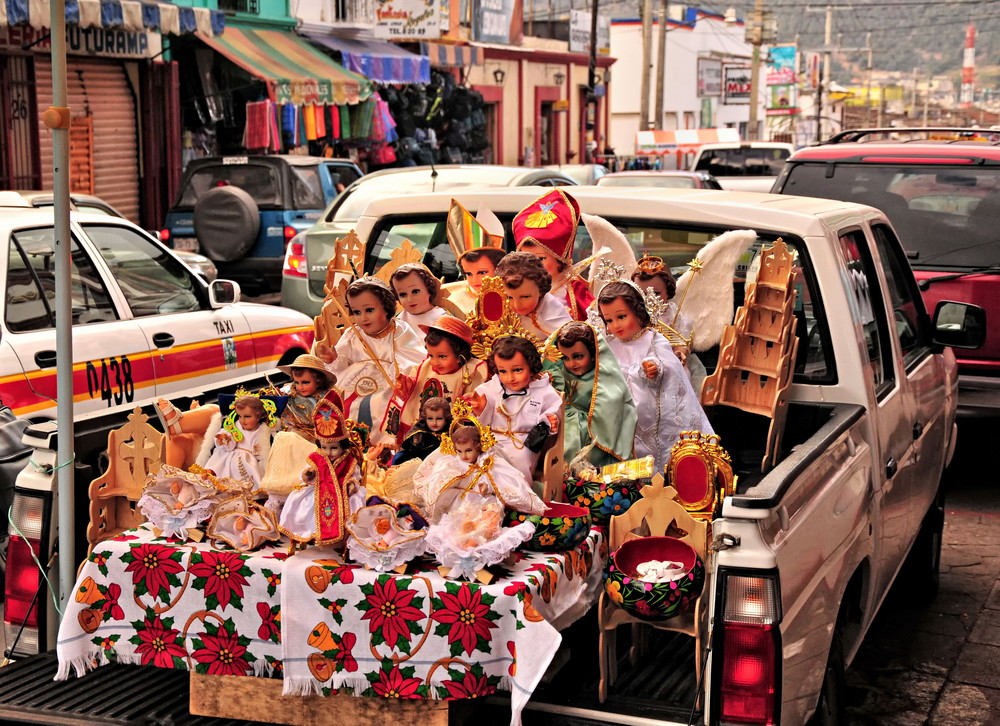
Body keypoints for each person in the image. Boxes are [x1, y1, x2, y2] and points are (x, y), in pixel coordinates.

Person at [597, 281, 713, 475]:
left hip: (649, 406)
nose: (615, 325)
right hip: (618, 410)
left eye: (622, 317)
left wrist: (652, 368)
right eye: (609, 320)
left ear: (639, 313)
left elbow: (666, 363)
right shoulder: (609, 345)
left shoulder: (652, 339)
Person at [328, 277, 425, 445]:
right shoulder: (353, 334)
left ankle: (379, 446)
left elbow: (413, 358)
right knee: (340, 403)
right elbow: (343, 360)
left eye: (369, 310)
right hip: (352, 382)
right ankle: (342, 443)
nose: (363, 318)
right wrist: (334, 359)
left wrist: (396, 372)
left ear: (386, 308)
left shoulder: (399, 330)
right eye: (357, 312)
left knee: (378, 405)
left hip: (387, 383)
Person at [412, 410, 545, 522]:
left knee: (489, 512)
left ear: (479, 447)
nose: (464, 456)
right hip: (458, 501)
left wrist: (486, 488)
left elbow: (500, 482)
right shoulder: (452, 462)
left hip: (481, 501)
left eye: (468, 451)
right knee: (455, 512)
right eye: (459, 451)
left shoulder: (487, 463)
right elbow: (440, 482)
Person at [469, 335, 562, 490]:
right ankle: (478, 495)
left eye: (517, 370)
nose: (510, 378)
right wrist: (481, 410)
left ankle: (511, 497)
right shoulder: (489, 389)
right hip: (491, 439)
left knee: (518, 463)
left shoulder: (544, 392)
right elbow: (480, 424)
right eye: (503, 371)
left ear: (531, 366)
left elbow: (550, 417)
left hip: (522, 443)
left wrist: (549, 421)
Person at [546, 321, 637, 471]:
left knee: (571, 450)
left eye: (578, 356)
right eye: (565, 358)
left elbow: (616, 401)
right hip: (559, 422)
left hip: (590, 430)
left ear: (594, 354)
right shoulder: (559, 373)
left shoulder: (602, 378)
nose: (571, 363)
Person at [278, 391, 363, 549]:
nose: (328, 452)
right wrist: (309, 474)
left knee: (355, 502)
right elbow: (304, 475)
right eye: (324, 447)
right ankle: (308, 532)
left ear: (343, 446)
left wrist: (352, 484)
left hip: (342, 491)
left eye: (333, 448)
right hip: (317, 488)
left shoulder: (349, 461)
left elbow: (355, 477)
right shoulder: (316, 458)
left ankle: (344, 538)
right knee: (301, 501)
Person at [391, 315, 488, 439]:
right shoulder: (425, 368)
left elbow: (472, 398)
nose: (435, 362)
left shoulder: (472, 372)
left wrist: (469, 403)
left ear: (460, 355)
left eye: (442, 356)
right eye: (431, 355)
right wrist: (406, 387)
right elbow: (414, 393)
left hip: (451, 433)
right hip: (421, 428)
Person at [513, 189, 595, 322]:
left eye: (540, 258)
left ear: (559, 260)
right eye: (525, 258)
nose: (531, 265)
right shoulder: (513, 285)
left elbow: (592, 323)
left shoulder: (571, 290)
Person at [631, 255, 707, 392]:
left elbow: (681, 342)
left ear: (668, 292)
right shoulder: (632, 313)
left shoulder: (674, 315)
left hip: (668, 364)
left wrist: (680, 353)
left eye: (656, 293)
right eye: (641, 294)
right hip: (639, 364)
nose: (649, 299)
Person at [440, 199, 507, 315]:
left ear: (498, 269)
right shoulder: (456, 302)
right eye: (469, 274)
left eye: (482, 272)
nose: (474, 280)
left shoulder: (513, 297)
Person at [494, 251, 571, 343]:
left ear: (541, 289)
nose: (517, 305)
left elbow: (570, 341)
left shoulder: (549, 314)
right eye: (509, 297)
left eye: (525, 297)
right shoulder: (500, 305)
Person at [204, 394, 277, 490]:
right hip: (228, 455)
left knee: (245, 471)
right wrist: (224, 439)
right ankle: (211, 475)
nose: (242, 420)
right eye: (239, 416)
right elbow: (228, 442)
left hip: (247, 459)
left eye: (247, 416)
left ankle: (244, 491)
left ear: (258, 416)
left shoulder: (262, 430)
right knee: (220, 457)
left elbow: (262, 451)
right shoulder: (235, 426)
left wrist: (258, 451)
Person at [278, 354, 336, 442]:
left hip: (313, 439)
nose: (300, 387)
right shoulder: (290, 391)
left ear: (318, 381)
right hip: (288, 434)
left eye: (305, 382)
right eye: (297, 382)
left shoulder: (324, 398)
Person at [392, 396, 451, 465]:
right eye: (430, 419)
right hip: (421, 462)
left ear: (446, 418)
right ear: (425, 418)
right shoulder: (419, 430)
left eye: (439, 419)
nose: (434, 423)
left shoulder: (451, 429)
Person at [390, 262, 448, 330]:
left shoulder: (442, 318)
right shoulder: (397, 319)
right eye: (402, 295)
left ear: (429, 289)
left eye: (415, 291)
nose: (410, 299)